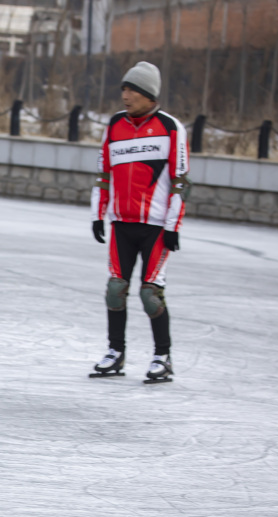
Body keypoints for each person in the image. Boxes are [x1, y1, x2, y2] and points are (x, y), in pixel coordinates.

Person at [90, 61, 189, 383]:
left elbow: (180, 182)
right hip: (122, 224)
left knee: (151, 293)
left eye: (132, 89)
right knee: (115, 290)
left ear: (148, 94)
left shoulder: (171, 128)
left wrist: (173, 225)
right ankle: (115, 352)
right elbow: (104, 175)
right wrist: (98, 215)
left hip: (157, 227)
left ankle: (163, 356)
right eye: (123, 88)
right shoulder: (115, 125)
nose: (125, 95)